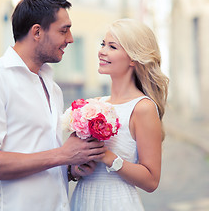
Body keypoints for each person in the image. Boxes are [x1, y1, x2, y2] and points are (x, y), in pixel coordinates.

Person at [0, 0, 106, 211]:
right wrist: (62, 155)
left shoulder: (51, 86)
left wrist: (70, 169)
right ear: (37, 32)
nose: (70, 39)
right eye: (63, 30)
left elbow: (44, 155)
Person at [69, 18, 169, 211]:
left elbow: (151, 181)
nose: (102, 51)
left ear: (133, 58)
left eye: (112, 47)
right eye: (103, 44)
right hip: (83, 200)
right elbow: (78, 163)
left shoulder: (142, 108)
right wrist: (78, 168)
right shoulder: (94, 104)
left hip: (116, 202)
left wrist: (108, 157)